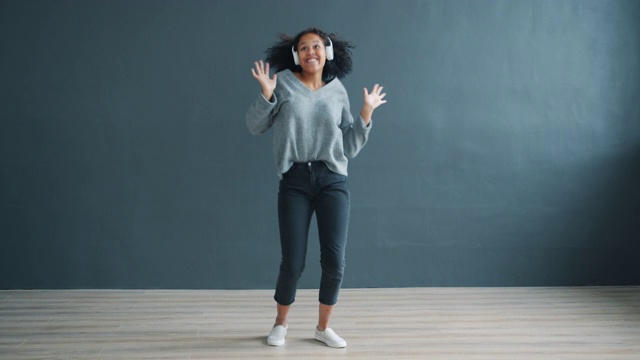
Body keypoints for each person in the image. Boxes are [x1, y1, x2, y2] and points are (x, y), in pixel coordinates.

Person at [245, 27, 387, 348]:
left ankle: (323, 328)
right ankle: (281, 323)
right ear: (296, 54)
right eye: (304, 47)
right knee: (293, 262)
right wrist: (267, 95)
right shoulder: (281, 84)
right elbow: (255, 126)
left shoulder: (338, 91)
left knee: (334, 261)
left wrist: (366, 113)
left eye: (317, 46)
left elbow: (348, 146)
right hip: (294, 180)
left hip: (332, 181)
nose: (311, 52)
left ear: (328, 52)